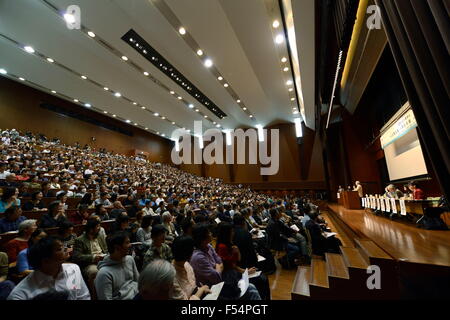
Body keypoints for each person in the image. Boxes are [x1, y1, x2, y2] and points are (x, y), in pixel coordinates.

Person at [7, 236, 90, 300]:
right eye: (60, 249)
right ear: (45, 260)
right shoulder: (20, 295)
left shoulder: (72, 269)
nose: (66, 249)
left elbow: (83, 297)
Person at [216, 222, 269, 300]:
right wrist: (246, 272)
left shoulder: (229, 243)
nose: (233, 233)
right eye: (232, 231)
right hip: (230, 276)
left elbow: (238, 260)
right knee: (260, 280)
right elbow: (232, 266)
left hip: (235, 272)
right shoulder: (222, 247)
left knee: (262, 278)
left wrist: (237, 251)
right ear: (227, 233)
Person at [95, 231, 139, 300]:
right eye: (127, 243)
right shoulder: (104, 274)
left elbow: (138, 282)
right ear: (117, 248)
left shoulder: (130, 260)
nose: (130, 245)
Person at [72, 218, 108, 292]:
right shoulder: (80, 240)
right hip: (90, 263)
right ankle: (95, 295)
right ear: (91, 229)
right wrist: (93, 257)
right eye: (97, 226)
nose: (99, 228)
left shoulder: (100, 236)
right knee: (94, 271)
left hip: (104, 259)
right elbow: (76, 257)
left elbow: (106, 249)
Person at [171, 236, 211, 300]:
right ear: (189, 253)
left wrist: (202, 289)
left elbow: (193, 286)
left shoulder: (186, 264)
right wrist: (201, 290)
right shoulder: (171, 277)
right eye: (193, 249)